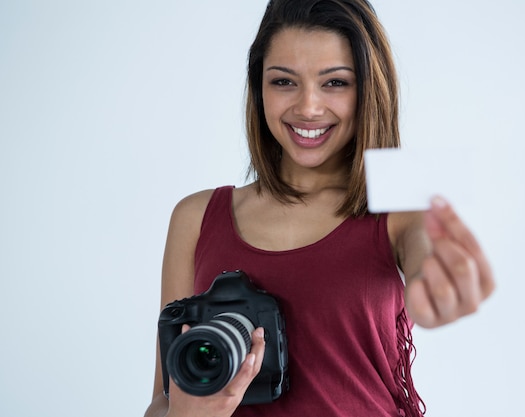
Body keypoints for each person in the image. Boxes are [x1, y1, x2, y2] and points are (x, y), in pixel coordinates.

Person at [144, 0, 495, 416]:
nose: (308, 107)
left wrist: (435, 288)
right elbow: (161, 403)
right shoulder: (196, 217)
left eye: (335, 83)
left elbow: (425, 260)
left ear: (368, 87)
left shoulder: (400, 200)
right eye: (284, 82)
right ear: (258, 88)